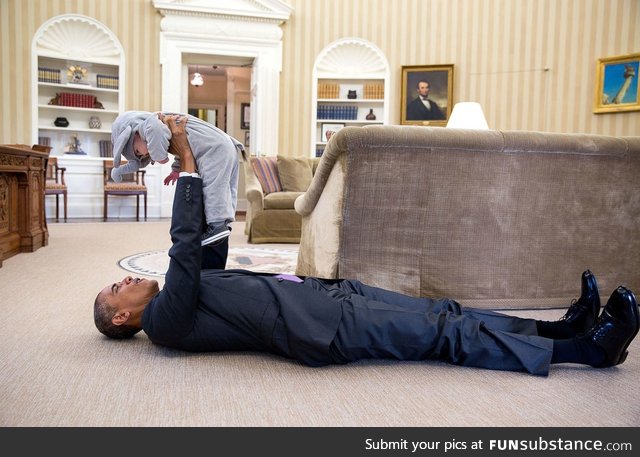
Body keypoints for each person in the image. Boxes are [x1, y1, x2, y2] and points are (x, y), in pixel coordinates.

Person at [94, 116, 640, 376]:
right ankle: (587, 351)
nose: (122, 281)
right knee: (442, 335)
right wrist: (185, 158)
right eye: (115, 292)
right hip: (323, 328)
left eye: (114, 280)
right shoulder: (165, 322)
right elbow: (185, 248)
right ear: (123, 321)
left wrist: (198, 171)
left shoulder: (181, 296)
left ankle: (560, 328)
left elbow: (208, 234)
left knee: (444, 310)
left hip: (326, 297)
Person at [110, 110, 245, 246]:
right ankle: (225, 223)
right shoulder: (170, 127)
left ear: (135, 134)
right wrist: (176, 170)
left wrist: (160, 156)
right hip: (224, 145)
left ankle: (217, 225)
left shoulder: (152, 124)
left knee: (214, 186)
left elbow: (156, 131)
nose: (144, 155)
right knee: (226, 186)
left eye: (138, 152)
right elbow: (185, 145)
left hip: (214, 149)